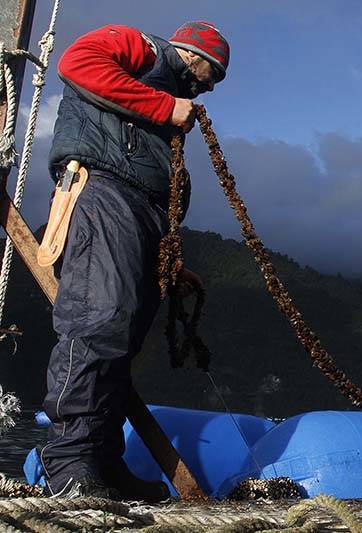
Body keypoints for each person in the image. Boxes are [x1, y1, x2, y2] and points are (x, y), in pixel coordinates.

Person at [39, 21, 229, 501]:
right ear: (192, 53)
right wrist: (167, 106)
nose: (210, 86)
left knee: (123, 339)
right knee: (100, 319)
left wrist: (170, 261)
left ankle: (102, 462)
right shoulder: (139, 47)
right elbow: (77, 63)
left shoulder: (167, 112)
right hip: (105, 191)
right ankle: (69, 465)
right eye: (214, 73)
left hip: (143, 213)